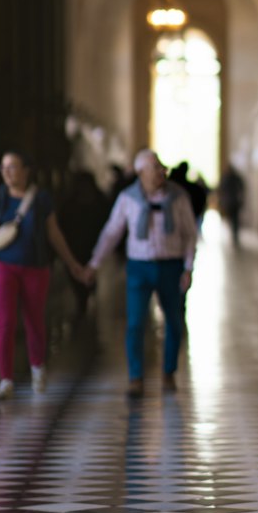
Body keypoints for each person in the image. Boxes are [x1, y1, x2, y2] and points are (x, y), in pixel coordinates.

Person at [0, 150, 88, 402]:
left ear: (26, 170)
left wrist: (72, 263)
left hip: (35, 266)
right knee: (5, 322)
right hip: (3, 266)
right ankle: (6, 380)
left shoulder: (41, 199)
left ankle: (37, 368)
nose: (7, 172)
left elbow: (54, 234)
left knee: (34, 319)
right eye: (3, 168)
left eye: (12, 167)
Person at [86, 148, 197, 398]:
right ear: (140, 173)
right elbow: (112, 232)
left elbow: (190, 234)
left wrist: (188, 267)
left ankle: (169, 371)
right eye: (155, 168)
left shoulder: (178, 197)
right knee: (135, 323)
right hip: (139, 266)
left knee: (174, 321)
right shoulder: (128, 198)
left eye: (161, 167)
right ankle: (135, 377)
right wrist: (95, 263)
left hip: (171, 265)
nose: (161, 172)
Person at [56, 169, 110, 320]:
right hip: (74, 246)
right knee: (75, 273)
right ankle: (82, 300)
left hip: (92, 246)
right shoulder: (69, 204)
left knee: (89, 270)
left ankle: (87, 293)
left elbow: (107, 224)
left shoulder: (99, 201)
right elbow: (61, 224)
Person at [218, 163, 245, 246]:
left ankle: (234, 233)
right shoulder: (233, 178)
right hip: (233, 201)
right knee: (234, 219)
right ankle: (234, 233)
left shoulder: (229, 178)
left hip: (232, 201)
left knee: (234, 219)